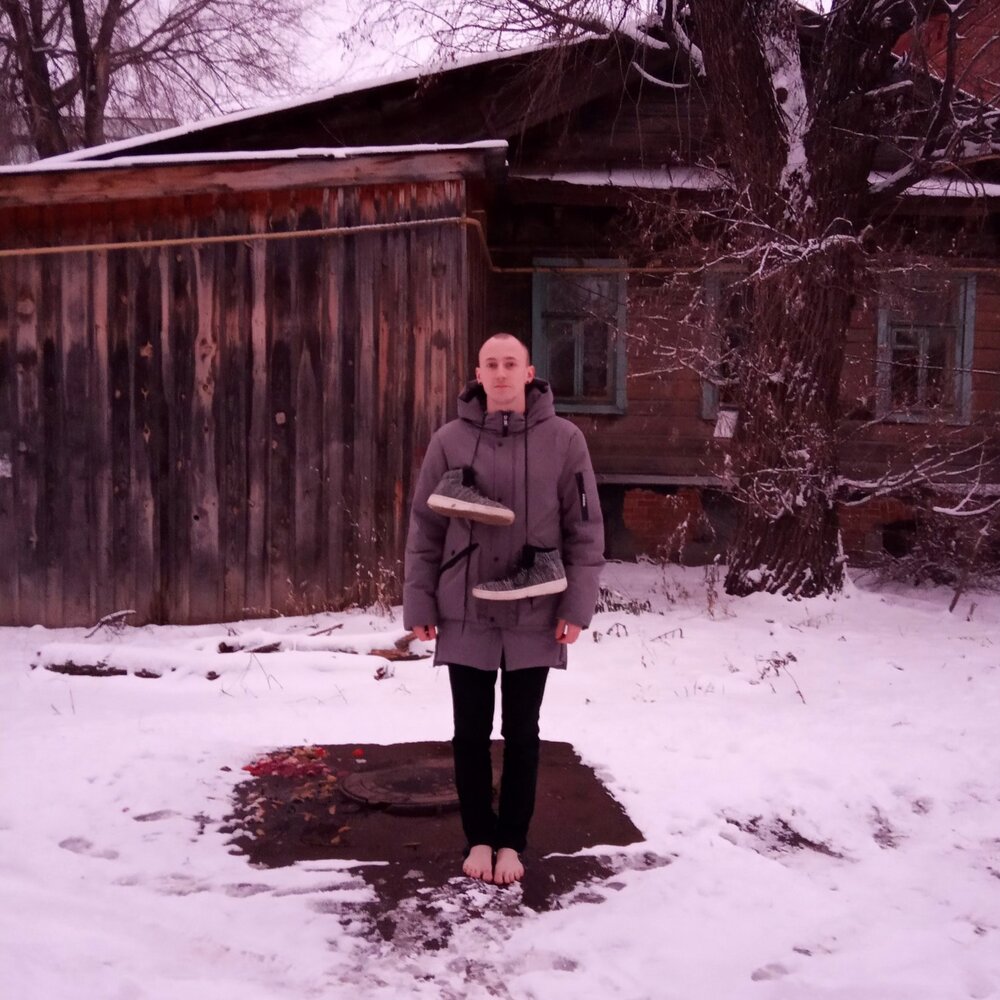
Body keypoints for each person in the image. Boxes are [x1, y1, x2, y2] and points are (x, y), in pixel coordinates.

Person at [403, 332, 604, 885]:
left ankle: (511, 841)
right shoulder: (449, 440)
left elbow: (585, 529)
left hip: (535, 607)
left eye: (510, 363)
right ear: (478, 373)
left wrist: (576, 607)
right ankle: (479, 837)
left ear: (529, 372)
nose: (500, 373)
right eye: (490, 364)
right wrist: (420, 601)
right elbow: (425, 529)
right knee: (469, 732)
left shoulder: (565, 440)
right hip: (464, 605)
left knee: (522, 732)